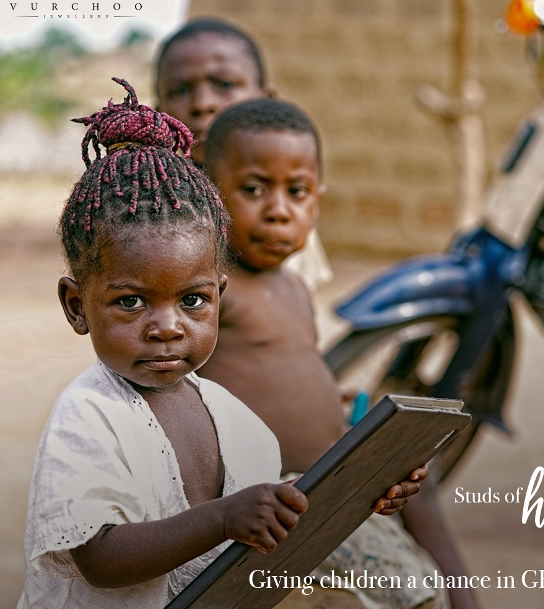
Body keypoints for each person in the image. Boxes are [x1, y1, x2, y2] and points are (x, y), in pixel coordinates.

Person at [17, 79, 424, 608]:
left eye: (192, 301)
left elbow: (265, 521)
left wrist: (358, 492)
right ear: (77, 306)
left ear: (219, 297)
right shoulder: (88, 416)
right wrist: (224, 518)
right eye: (131, 303)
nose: (167, 327)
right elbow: (99, 559)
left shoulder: (232, 419)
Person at [198, 98, 477, 609]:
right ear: (209, 193)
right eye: (253, 189)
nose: (279, 209)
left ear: (318, 201)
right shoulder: (214, 289)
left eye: (297, 191)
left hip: (331, 494)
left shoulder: (294, 291)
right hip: (267, 505)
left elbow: (288, 372)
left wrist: (344, 419)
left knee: (416, 587)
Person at [154, 17, 332, 291]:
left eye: (224, 84)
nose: (203, 104)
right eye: (179, 90)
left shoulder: (282, 208)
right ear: (159, 112)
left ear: (265, 99)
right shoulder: (150, 211)